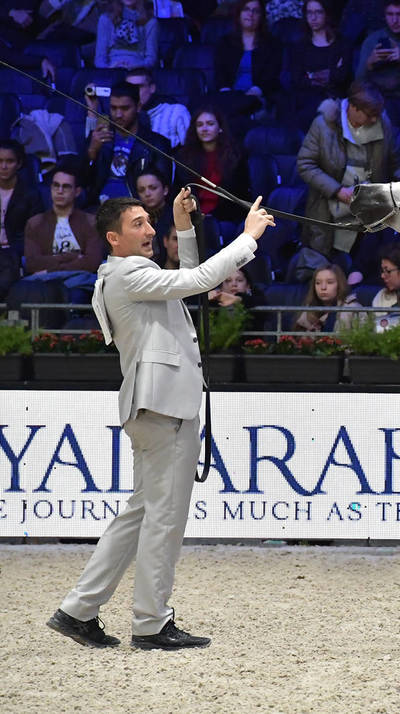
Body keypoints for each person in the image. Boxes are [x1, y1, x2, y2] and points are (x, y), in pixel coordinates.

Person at [47, 189, 274, 650]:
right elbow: (200, 280)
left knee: (141, 514)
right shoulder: (130, 274)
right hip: (164, 407)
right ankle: (151, 622)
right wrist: (248, 239)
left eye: (151, 222)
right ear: (113, 237)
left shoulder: (124, 273)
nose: (150, 231)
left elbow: (189, 278)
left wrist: (183, 225)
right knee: (164, 521)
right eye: (139, 224)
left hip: (154, 406)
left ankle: (78, 610)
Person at [296, 81, 400, 262]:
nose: (374, 120)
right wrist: (337, 191)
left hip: (370, 211)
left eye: (376, 115)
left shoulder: (382, 122)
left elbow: (394, 164)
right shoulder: (323, 125)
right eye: (370, 115)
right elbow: (305, 164)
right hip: (330, 210)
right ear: (353, 108)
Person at [85, 82, 173, 207]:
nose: (118, 114)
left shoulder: (157, 143)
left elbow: (162, 190)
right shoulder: (98, 138)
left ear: (138, 106)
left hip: (138, 210)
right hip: (100, 209)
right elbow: (81, 182)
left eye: (125, 108)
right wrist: (91, 152)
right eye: (113, 108)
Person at [176, 105, 249, 230]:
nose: (204, 129)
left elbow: (239, 194)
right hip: (193, 216)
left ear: (220, 128)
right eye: (199, 125)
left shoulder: (236, 156)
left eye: (210, 124)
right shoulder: (184, 157)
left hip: (227, 217)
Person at [24, 166, 103, 276]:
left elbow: (92, 263)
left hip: (78, 281)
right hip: (47, 283)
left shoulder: (91, 222)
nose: (60, 191)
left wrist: (50, 270)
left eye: (66, 187)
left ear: (77, 192)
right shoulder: (35, 223)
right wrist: (73, 256)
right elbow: (32, 264)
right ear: (51, 188)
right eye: (56, 186)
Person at [286, 0, 351, 125]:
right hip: (306, 99)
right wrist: (330, 73)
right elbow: (297, 79)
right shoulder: (300, 46)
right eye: (309, 13)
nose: (313, 18)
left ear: (327, 14)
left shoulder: (343, 44)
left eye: (318, 12)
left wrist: (311, 75)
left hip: (334, 98)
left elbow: (343, 76)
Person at [213, 0, 283, 108]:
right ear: (239, 14)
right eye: (246, 9)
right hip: (229, 96)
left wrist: (256, 91)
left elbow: (271, 77)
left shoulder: (272, 44)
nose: (250, 14)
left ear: (261, 16)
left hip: (258, 97)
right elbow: (220, 74)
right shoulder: (225, 43)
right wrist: (226, 93)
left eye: (256, 11)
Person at [0, 139, 45, 299]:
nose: (3, 167)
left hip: (15, 252)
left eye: (9, 161)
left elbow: (35, 233)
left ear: (18, 164)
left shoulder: (30, 194)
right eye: (0, 161)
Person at [125, 67, 191, 150]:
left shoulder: (176, 112)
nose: (134, 92)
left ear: (152, 88)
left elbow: (191, 150)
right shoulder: (121, 116)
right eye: (129, 88)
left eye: (139, 87)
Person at [294, 263, 360, 331]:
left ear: (339, 285)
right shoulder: (309, 308)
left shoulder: (353, 309)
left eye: (330, 282)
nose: (323, 287)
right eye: (318, 283)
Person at [94, 0, 159, 69]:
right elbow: (100, 58)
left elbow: (151, 59)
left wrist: (135, 68)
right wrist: (110, 69)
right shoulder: (106, 19)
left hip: (139, 72)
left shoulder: (150, 22)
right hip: (111, 70)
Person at [136, 170, 173, 246]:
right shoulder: (135, 220)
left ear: (165, 190)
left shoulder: (177, 216)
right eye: (141, 190)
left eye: (153, 188)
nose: (147, 194)